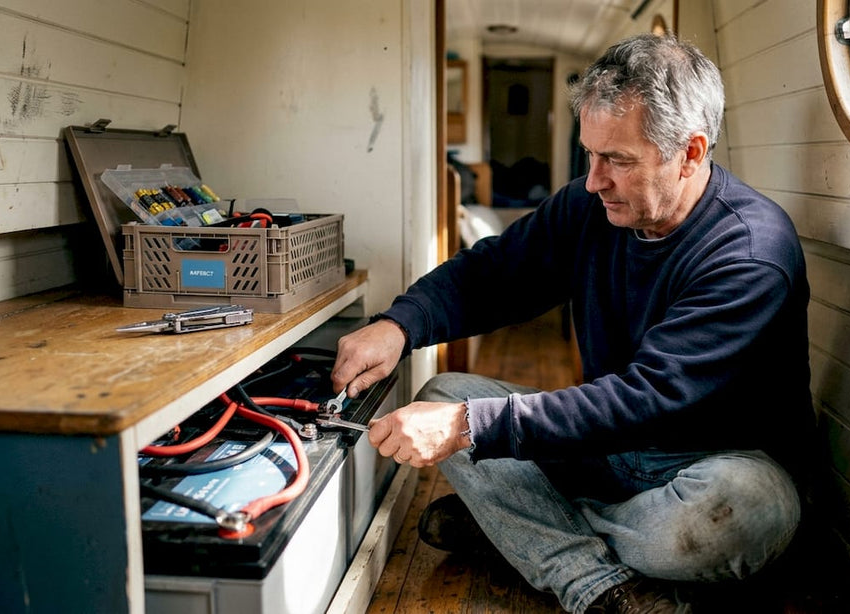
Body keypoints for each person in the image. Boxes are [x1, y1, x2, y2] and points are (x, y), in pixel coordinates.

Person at [330, 33, 814, 614]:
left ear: (690, 153)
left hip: (711, 465)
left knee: (749, 514)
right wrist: (399, 326)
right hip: (606, 451)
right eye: (591, 154)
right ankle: (596, 581)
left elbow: (651, 396)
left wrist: (468, 427)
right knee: (446, 392)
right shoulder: (589, 207)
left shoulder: (751, 252)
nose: (593, 180)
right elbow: (495, 274)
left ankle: (531, 537)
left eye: (618, 160)